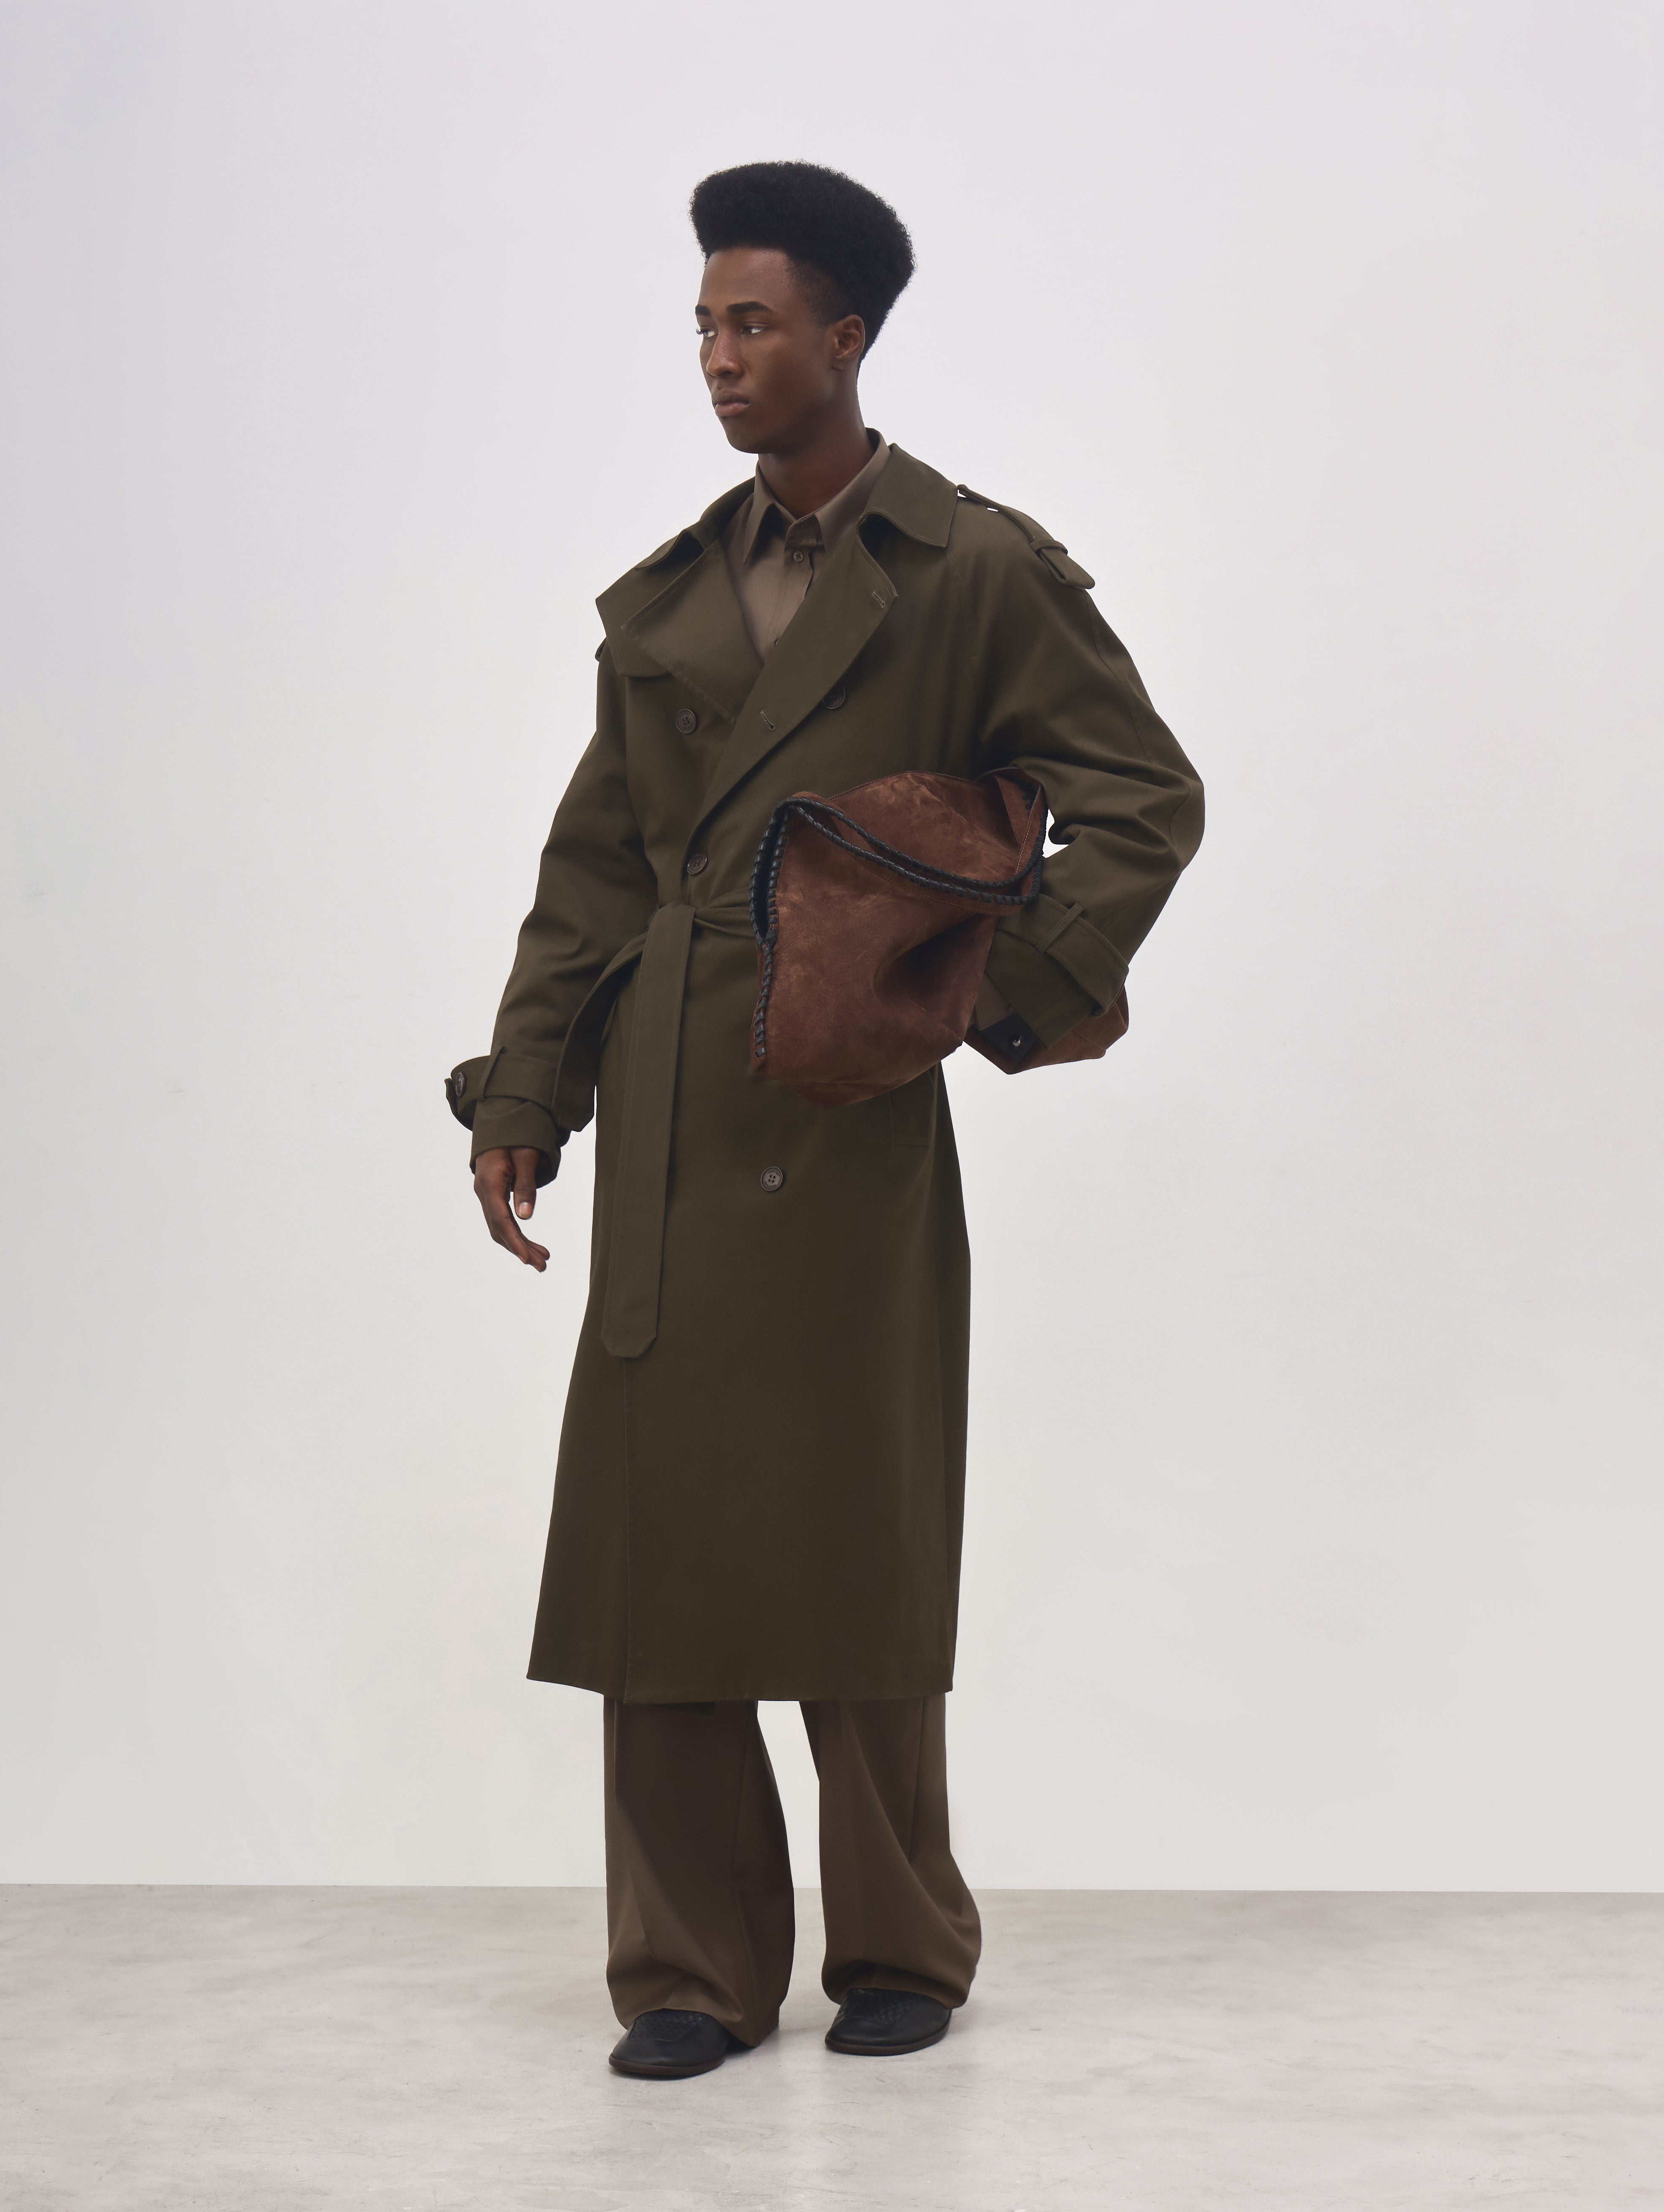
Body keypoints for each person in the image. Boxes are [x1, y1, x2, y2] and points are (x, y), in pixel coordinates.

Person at [448, 161, 1202, 2079]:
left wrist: (984, 993)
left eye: (755, 322)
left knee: (854, 1519)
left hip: (845, 1110)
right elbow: (596, 868)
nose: (719, 356)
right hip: (675, 1108)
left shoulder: (974, 571)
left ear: (848, 338)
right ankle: (687, 1967)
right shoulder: (668, 599)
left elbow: (1143, 794)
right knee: (662, 1540)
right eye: (705, 325)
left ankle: (897, 1946)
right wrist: (531, 1084)